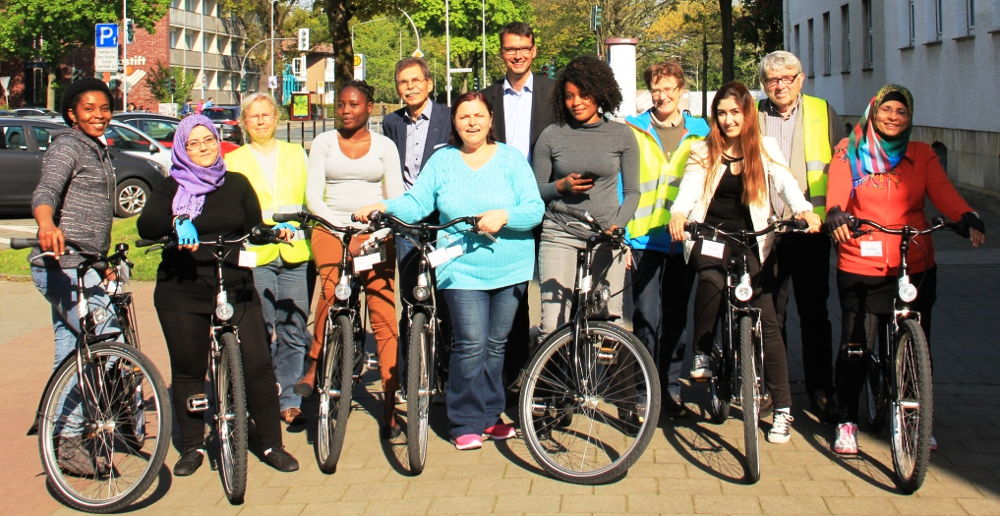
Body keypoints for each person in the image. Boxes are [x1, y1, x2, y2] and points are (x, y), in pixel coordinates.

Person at [354, 92, 544, 450]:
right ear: (454, 122)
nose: (471, 122)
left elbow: (533, 209)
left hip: (511, 266)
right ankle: (463, 421)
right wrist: (383, 206)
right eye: (463, 116)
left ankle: (490, 416)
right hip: (461, 267)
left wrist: (505, 216)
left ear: (490, 119)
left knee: (496, 345)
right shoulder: (442, 161)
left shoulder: (511, 160)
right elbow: (418, 203)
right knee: (470, 344)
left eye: (478, 115)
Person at [824, 84, 985, 455]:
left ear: (910, 117)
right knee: (856, 344)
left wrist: (965, 216)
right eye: (887, 110)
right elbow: (837, 193)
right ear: (873, 111)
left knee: (917, 345)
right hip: (862, 258)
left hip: (913, 259)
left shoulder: (921, 154)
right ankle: (846, 418)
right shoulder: (851, 151)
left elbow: (944, 193)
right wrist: (836, 213)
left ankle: (916, 414)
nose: (893, 118)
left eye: (901, 112)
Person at [136, 115, 299, 475]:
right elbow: (146, 224)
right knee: (188, 368)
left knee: (257, 365)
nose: (203, 149)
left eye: (207, 140)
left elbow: (252, 228)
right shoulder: (171, 187)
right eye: (193, 144)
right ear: (182, 148)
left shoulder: (236, 183)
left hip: (234, 284)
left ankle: (271, 443)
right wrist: (177, 221)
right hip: (184, 288)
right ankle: (192, 446)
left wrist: (274, 232)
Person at [668, 81, 821, 444]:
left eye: (735, 112)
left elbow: (784, 183)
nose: (728, 119)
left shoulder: (763, 149)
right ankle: (703, 352)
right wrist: (678, 213)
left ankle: (782, 409)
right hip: (711, 234)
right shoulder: (703, 151)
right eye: (722, 113)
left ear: (747, 114)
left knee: (767, 319)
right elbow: (689, 190)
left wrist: (803, 210)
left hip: (751, 238)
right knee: (711, 281)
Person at [294, 80, 404, 439]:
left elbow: (394, 196)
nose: (345, 110)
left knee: (383, 312)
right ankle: (314, 361)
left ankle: (390, 395)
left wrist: (373, 229)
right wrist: (340, 226)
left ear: (368, 108)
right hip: (331, 229)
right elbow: (314, 196)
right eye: (341, 104)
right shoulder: (324, 143)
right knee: (330, 291)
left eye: (354, 104)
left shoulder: (384, 146)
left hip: (373, 233)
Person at [29, 79, 120, 476]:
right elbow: (46, 191)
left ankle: (57, 425)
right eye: (88, 109)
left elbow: (93, 215)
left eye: (104, 108)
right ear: (72, 113)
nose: (98, 115)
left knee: (70, 352)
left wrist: (102, 263)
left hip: (85, 265)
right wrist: (46, 224)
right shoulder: (67, 146)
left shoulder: (97, 149)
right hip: (59, 265)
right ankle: (69, 433)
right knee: (106, 336)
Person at [757, 50, 841, 420]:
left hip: (811, 229)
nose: (780, 85)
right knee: (770, 315)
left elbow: (842, 167)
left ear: (801, 80)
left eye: (787, 78)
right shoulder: (753, 115)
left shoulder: (824, 113)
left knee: (814, 313)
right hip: (766, 230)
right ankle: (776, 390)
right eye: (773, 79)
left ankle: (821, 388)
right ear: (764, 84)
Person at [623, 61, 710, 417]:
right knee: (646, 316)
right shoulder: (634, 129)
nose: (662, 96)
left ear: (681, 91)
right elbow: (622, 184)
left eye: (669, 89)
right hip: (644, 236)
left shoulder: (702, 131)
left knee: (676, 316)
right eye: (656, 89)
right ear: (649, 93)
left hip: (682, 237)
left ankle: (671, 388)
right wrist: (624, 236)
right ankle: (646, 390)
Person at [533, 55, 639, 344]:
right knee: (553, 324)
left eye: (584, 94)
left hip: (606, 236)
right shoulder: (551, 136)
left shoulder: (621, 135)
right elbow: (535, 191)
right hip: (560, 234)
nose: (576, 102)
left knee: (605, 322)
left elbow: (632, 193)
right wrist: (561, 186)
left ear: (600, 94)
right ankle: (551, 385)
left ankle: (595, 385)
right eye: (569, 96)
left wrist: (617, 227)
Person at [224, 92, 312, 426]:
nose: (261, 121)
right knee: (260, 329)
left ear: (277, 117)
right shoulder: (234, 160)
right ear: (244, 123)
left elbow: (309, 198)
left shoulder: (296, 154)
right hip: (256, 254)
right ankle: (260, 396)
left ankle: (289, 398)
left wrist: (298, 220)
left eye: (266, 115)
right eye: (253, 116)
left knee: (293, 326)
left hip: (294, 252)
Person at [482, 21, 556, 392]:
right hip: (504, 210)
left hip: (547, 205)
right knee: (513, 294)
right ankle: (513, 379)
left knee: (553, 295)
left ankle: (552, 379)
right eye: (511, 49)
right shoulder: (486, 98)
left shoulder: (554, 94)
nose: (517, 55)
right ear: (502, 52)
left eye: (523, 48)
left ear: (534, 51)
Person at [381, 57, 453, 366]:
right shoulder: (391, 122)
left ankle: (448, 368)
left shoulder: (449, 118)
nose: (409, 87)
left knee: (447, 296)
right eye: (403, 82)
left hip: (442, 221)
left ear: (429, 84)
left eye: (415, 81)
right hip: (406, 222)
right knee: (411, 296)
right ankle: (411, 371)